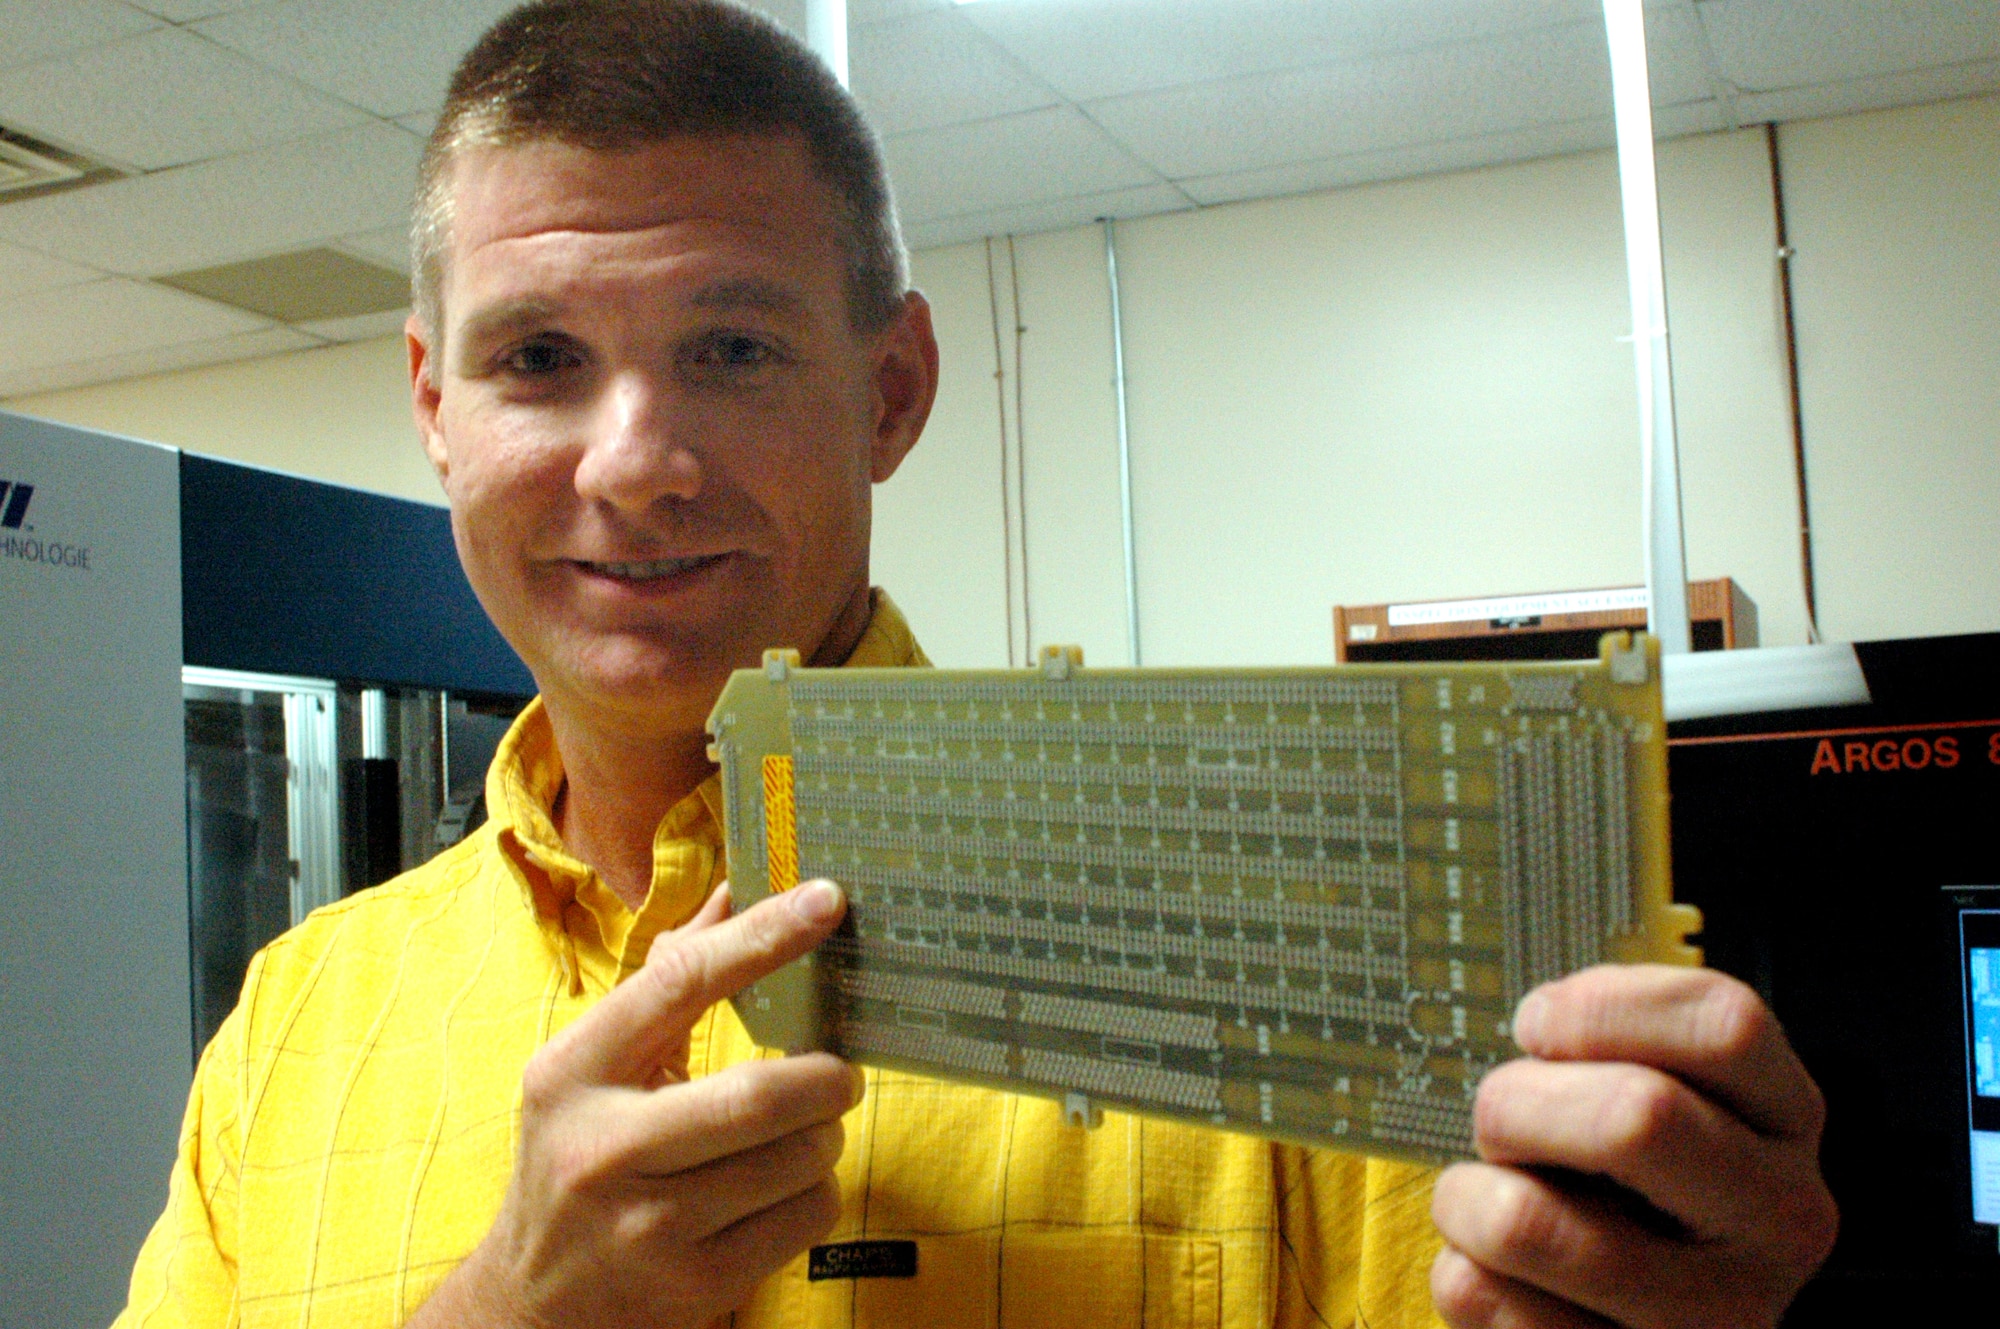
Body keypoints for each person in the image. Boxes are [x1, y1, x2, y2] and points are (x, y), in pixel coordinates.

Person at [116, 2, 1838, 1326]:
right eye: (539, 357)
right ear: (433, 402)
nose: (632, 460)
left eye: (730, 345)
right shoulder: (293, 1026)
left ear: (892, 392)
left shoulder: (1290, 949)